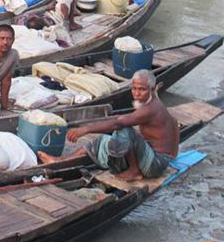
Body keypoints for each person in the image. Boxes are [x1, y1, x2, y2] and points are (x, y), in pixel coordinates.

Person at [38, 70, 177, 181]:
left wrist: (85, 129)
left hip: (155, 164)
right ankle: (59, 160)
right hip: (154, 158)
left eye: (141, 89)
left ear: (151, 89)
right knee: (101, 141)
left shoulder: (150, 108)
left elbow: (119, 123)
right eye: (134, 88)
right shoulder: (154, 103)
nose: (136, 93)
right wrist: (173, 154)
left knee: (125, 130)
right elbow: (174, 122)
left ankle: (135, 171)